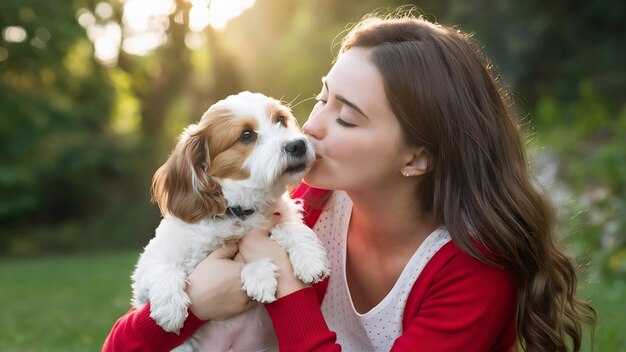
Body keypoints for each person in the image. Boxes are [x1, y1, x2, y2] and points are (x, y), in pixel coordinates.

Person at [103, 11, 596, 352]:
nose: (310, 128)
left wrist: (289, 290)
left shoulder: (473, 274)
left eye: (348, 118)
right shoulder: (305, 204)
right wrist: (193, 307)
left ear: (417, 158)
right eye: (322, 98)